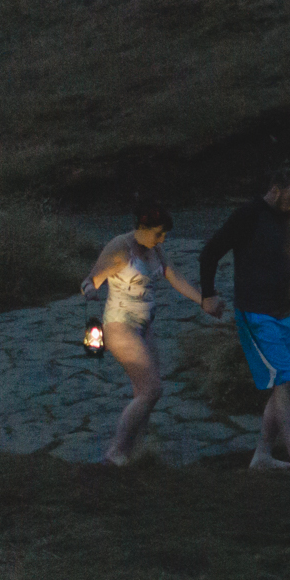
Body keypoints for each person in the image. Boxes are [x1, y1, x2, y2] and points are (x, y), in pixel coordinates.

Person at [198, 167, 290, 472]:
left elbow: (289, 242)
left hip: (284, 314)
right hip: (256, 314)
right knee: (284, 379)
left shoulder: (281, 218)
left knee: (287, 385)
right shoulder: (248, 215)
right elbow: (210, 251)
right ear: (275, 191)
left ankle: (262, 456)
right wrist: (208, 295)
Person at [81, 200, 216, 466]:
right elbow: (91, 279)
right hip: (120, 325)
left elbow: (173, 275)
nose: (162, 239)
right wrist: (91, 290)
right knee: (151, 390)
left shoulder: (156, 249)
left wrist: (203, 301)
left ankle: (136, 453)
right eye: (158, 233)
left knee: (143, 391)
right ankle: (115, 453)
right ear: (142, 228)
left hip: (145, 326)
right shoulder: (120, 247)